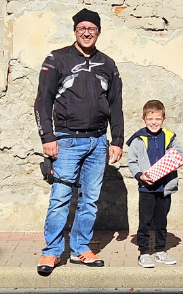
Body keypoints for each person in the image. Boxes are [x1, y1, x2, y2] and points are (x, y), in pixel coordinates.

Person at [32, 8, 123, 276]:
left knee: (90, 200)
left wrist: (116, 139)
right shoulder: (57, 59)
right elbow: (42, 101)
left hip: (98, 142)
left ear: (98, 32)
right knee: (60, 197)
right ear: (75, 31)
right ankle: (51, 252)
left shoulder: (108, 64)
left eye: (92, 29)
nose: (86, 33)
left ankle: (81, 248)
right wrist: (47, 137)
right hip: (66, 141)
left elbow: (116, 105)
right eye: (82, 28)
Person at [126, 99, 183, 268]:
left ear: (164, 119)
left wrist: (175, 160)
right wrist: (140, 175)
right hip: (147, 188)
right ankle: (144, 253)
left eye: (158, 119)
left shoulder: (169, 137)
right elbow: (132, 162)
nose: (154, 122)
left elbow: (180, 154)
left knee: (161, 221)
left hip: (164, 188)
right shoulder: (138, 139)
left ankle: (160, 251)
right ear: (144, 119)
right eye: (150, 119)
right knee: (144, 222)